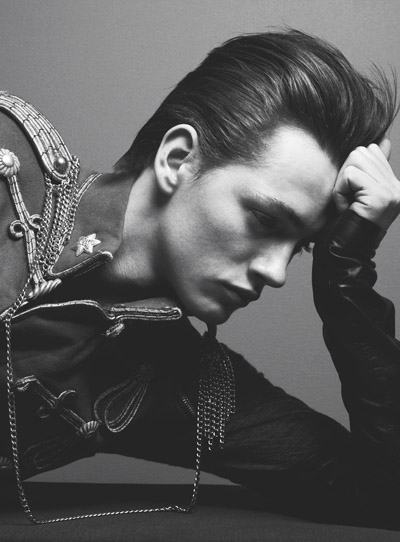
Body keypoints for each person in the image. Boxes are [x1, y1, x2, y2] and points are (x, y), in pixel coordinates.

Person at [0, 28, 400, 528]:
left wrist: (347, 276)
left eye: (301, 248)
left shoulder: (191, 384)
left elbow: (382, 492)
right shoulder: (9, 164)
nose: (277, 273)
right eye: (265, 220)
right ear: (177, 159)